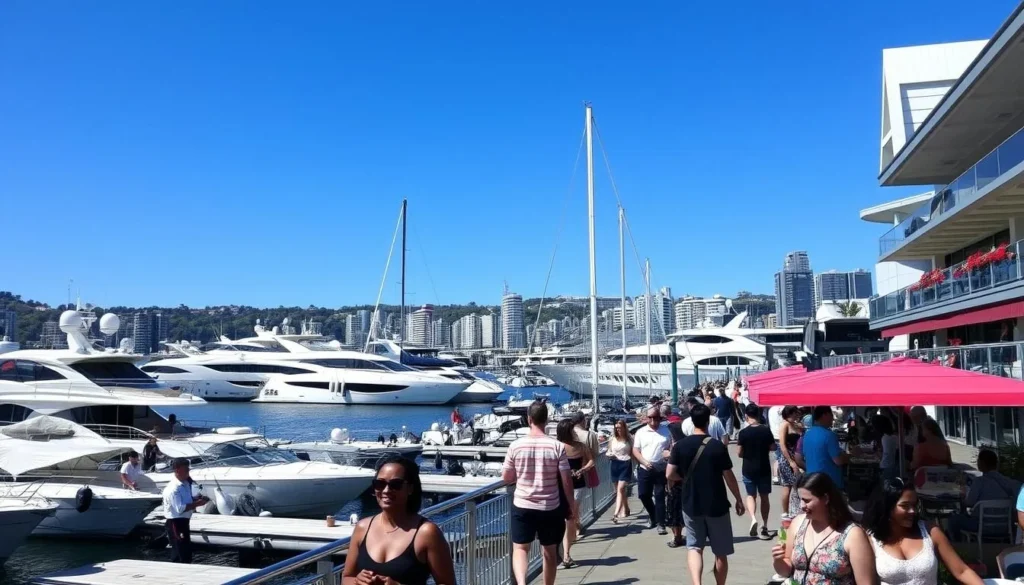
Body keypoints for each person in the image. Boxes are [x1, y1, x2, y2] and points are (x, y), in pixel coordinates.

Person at [343, 456, 455, 585]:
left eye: (395, 485)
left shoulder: (426, 533)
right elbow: (347, 577)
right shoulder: (362, 527)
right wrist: (357, 581)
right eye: (380, 484)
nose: (386, 490)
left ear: (410, 489)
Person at [667, 403, 745, 585]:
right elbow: (729, 476)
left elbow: (669, 474)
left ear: (691, 421)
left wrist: (684, 478)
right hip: (716, 504)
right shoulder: (717, 446)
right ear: (708, 422)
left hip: (691, 503)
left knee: (694, 547)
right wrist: (738, 499)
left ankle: (697, 583)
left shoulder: (679, 446)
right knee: (721, 552)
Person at [501, 401, 574, 585]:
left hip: (523, 504)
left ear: (529, 419)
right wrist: (571, 506)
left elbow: (507, 477)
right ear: (546, 419)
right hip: (550, 506)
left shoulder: (515, 446)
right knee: (549, 551)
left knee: (520, 549)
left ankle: (521, 582)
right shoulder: (557, 447)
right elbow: (566, 480)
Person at [862, 477, 984, 585]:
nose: (912, 511)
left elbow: (962, 571)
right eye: (905, 506)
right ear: (887, 508)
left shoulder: (931, 532)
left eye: (914, 505)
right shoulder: (870, 539)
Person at [771, 472, 875, 585]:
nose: (801, 505)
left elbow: (866, 582)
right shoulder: (798, 523)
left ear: (826, 498)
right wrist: (778, 560)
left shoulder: (852, 534)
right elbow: (787, 571)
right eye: (800, 499)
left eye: (807, 500)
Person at [950, 448, 1021, 539]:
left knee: (954, 519)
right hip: (1006, 526)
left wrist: (964, 495)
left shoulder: (979, 482)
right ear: (996, 464)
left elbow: (969, 503)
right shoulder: (1009, 482)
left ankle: (958, 544)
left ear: (981, 463)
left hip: (982, 526)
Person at [556, 418, 594, 569]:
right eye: (572, 430)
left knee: (570, 518)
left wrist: (582, 470)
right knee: (565, 520)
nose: (574, 432)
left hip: (577, 484)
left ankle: (566, 554)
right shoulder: (557, 447)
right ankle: (562, 551)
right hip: (560, 486)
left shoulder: (581, 446)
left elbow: (591, 461)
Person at [737, 403, 776, 539]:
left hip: (748, 468)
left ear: (746, 416)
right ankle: (764, 525)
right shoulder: (766, 430)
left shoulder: (743, 433)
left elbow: (739, 453)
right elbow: (772, 447)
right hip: (764, 467)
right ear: (759, 415)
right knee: (764, 497)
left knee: (750, 495)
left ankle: (753, 518)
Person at [162, 458, 210, 564]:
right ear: (178, 470)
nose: (188, 472)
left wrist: (197, 499)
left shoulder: (186, 483)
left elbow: (188, 499)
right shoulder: (173, 489)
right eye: (186, 470)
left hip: (184, 521)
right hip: (175, 522)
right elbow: (180, 508)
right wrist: (198, 504)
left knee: (186, 549)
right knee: (180, 551)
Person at [632, 406, 671, 534]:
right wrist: (643, 461)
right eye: (650, 418)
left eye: (656, 417)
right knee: (643, 495)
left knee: (660, 496)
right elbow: (635, 450)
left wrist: (669, 453)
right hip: (645, 467)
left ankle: (661, 523)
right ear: (646, 418)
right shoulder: (641, 432)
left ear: (660, 418)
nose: (653, 420)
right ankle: (653, 515)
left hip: (661, 467)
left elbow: (672, 447)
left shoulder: (666, 431)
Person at [802, 406, 848, 489]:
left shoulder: (807, 434)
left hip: (811, 479)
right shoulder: (829, 435)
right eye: (831, 415)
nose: (833, 419)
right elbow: (838, 460)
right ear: (825, 415)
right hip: (828, 482)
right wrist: (850, 456)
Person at [664, 403, 687, 547]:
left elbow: (669, 473)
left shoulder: (676, 449)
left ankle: (677, 537)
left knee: (674, 510)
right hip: (687, 483)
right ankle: (685, 535)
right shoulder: (686, 445)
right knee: (685, 511)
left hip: (675, 483)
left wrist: (667, 454)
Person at [776, 406, 804, 515]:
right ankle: (786, 512)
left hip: (796, 456)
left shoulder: (795, 425)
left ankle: (795, 510)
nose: (797, 414)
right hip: (788, 458)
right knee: (788, 485)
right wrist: (790, 461)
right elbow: (782, 445)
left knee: (796, 484)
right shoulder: (784, 424)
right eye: (795, 412)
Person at [607, 419, 633, 522]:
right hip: (614, 464)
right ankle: (626, 508)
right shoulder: (612, 439)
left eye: (620, 427)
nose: (618, 429)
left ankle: (616, 513)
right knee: (618, 490)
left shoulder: (629, 439)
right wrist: (609, 454)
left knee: (621, 488)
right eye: (616, 428)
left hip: (626, 463)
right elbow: (609, 451)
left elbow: (633, 452)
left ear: (624, 427)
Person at [873, 415, 900, 480]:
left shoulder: (885, 438)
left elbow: (884, 455)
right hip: (894, 467)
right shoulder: (895, 437)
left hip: (886, 467)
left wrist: (876, 452)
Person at [768, 405, 785, 484]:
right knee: (781, 456)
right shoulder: (783, 408)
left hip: (773, 434)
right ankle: (780, 475)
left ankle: (775, 476)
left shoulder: (771, 409)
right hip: (782, 435)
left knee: (777, 456)